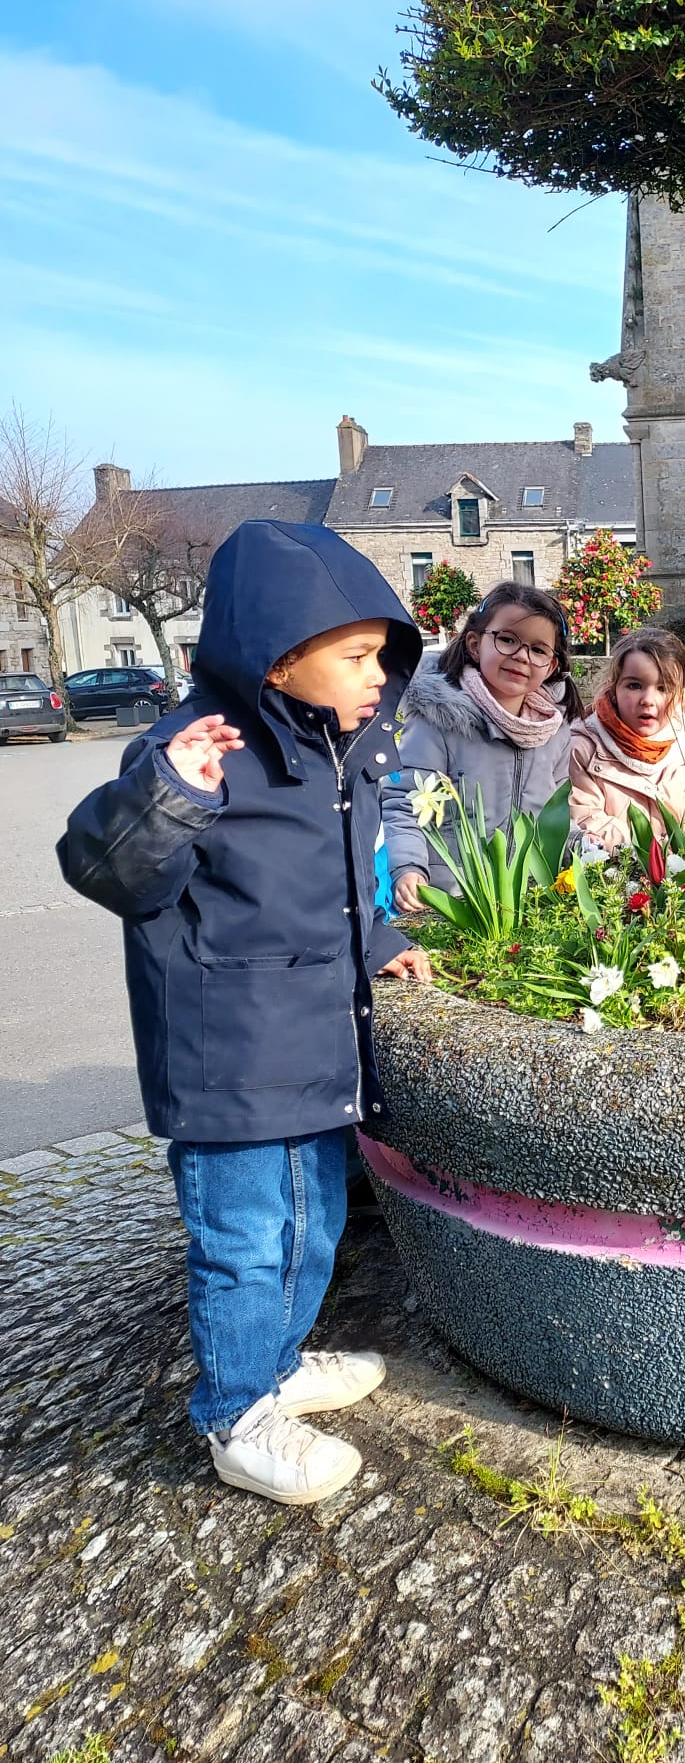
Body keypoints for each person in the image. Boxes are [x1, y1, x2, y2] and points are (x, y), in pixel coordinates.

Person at [58, 520, 432, 1505]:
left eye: (382, 655)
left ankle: (277, 1363)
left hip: (316, 1046)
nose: (377, 676)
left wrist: (380, 944)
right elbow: (108, 872)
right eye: (355, 656)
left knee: (313, 1224)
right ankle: (235, 1413)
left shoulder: (337, 755)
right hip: (227, 1060)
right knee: (244, 1240)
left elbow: (341, 888)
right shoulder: (192, 752)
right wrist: (168, 796)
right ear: (277, 657)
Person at [383, 581, 582, 910]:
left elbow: (555, 817)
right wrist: (409, 868)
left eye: (538, 650)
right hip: (452, 901)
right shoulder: (437, 720)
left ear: (551, 666)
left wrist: (586, 847)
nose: (521, 656)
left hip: (528, 902)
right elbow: (405, 806)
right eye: (507, 640)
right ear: (475, 645)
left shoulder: (554, 732)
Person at [568, 627, 685, 849]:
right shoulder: (583, 749)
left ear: (682, 697)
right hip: (614, 867)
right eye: (634, 686)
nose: (648, 700)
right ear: (613, 689)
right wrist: (649, 851)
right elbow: (585, 820)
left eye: (663, 688)